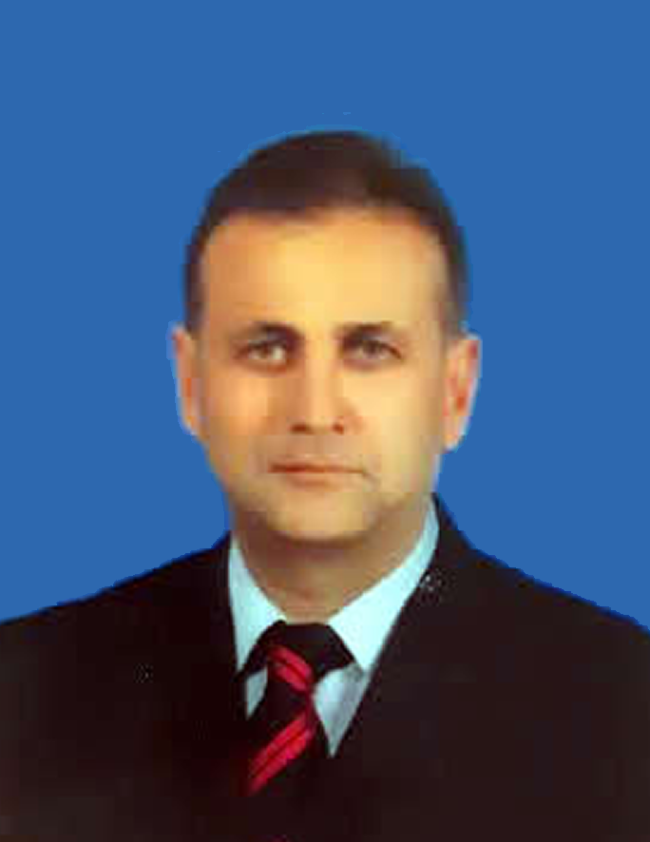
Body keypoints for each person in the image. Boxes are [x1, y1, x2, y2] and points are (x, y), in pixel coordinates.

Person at [0, 130, 648, 842]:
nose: (313, 410)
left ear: (455, 392)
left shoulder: (620, 705)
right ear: (190, 384)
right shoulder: (26, 688)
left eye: (369, 350)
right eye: (266, 348)